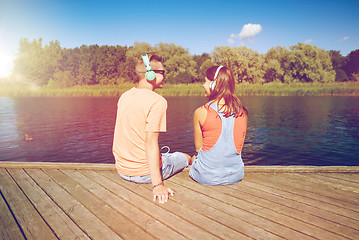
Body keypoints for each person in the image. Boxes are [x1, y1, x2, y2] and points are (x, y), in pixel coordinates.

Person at [113, 52, 191, 203]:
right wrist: (158, 185)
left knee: (165, 156)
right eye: (162, 72)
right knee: (185, 157)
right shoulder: (157, 101)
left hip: (122, 170)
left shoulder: (125, 96)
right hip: (144, 174)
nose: (165, 76)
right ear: (150, 74)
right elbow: (150, 142)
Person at [190, 65, 248, 185]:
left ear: (214, 84)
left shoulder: (201, 112)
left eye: (206, 81)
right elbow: (239, 147)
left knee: (192, 158)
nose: (203, 85)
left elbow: (198, 148)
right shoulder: (242, 113)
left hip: (206, 178)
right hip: (235, 176)